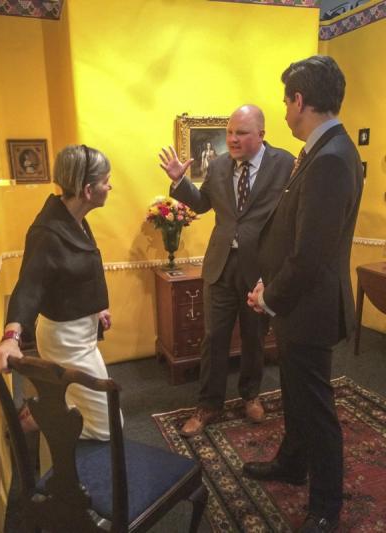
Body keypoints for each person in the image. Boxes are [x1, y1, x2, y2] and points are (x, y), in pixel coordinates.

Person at [243, 56, 363, 533]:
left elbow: (310, 255)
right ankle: (292, 463)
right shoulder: (321, 150)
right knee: (294, 394)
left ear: (298, 100)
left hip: (307, 309)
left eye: (285, 100)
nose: (285, 111)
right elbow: (296, 235)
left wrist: (269, 298)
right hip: (296, 304)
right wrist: (270, 287)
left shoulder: (330, 158)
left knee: (315, 409)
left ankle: (326, 507)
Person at [159, 104, 294, 437]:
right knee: (214, 337)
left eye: (241, 133)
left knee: (254, 337)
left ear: (261, 134)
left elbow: (292, 212)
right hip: (220, 265)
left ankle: (251, 395)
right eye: (230, 132)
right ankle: (208, 404)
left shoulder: (285, 164)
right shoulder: (218, 165)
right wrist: (179, 182)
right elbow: (203, 204)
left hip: (260, 267)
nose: (232, 139)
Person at [0, 144, 115, 440]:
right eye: (105, 180)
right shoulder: (47, 232)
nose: (110, 186)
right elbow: (28, 288)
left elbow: (75, 271)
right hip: (67, 340)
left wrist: (97, 308)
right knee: (108, 427)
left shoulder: (74, 220)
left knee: (80, 400)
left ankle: (46, 412)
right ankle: (43, 420)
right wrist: (10, 339)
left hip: (81, 331)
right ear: (87, 189)